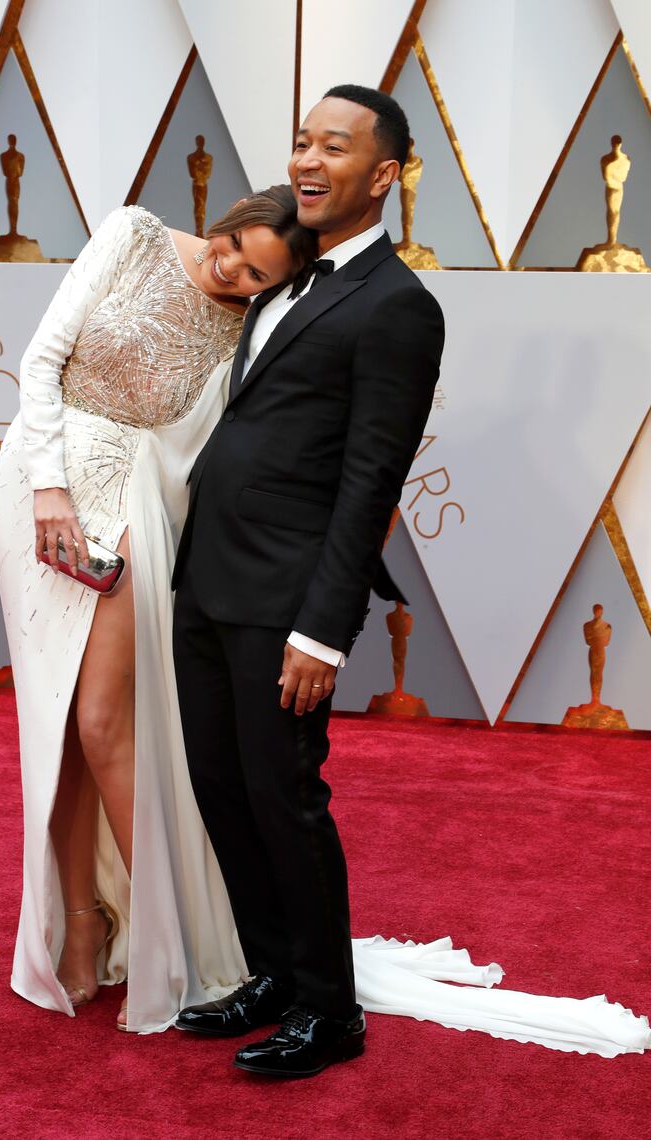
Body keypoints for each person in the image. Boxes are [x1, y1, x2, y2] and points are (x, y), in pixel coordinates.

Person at [171, 84, 651, 1078]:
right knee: (220, 785)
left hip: (286, 599)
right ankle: (272, 971)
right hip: (207, 582)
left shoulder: (396, 306)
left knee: (282, 796)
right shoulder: (278, 281)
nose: (307, 160)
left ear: (382, 175)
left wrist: (323, 629)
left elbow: (368, 483)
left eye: (333, 147)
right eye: (300, 139)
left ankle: (326, 1011)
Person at [0, 187, 318, 1032]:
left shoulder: (247, 329)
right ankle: (82, 926)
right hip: (39, 483)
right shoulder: (132, 234)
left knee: (102, 720)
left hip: (134, 504)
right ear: (236, 217)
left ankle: (166, 935)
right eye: (239, 249)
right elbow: (39, 363)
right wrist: (49, 489)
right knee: (55, 725)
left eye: (257, 278)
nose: (235, 273)